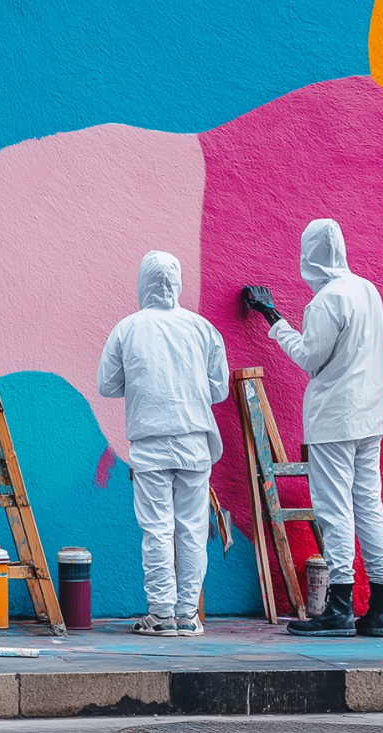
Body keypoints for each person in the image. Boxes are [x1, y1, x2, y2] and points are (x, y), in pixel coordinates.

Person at [244, 219, 383, 638]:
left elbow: (309, 357)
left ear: (308, 257)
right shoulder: (368, 290)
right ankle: (380, 607)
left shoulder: (326, 301)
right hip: (370, 415)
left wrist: (271, 317)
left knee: (334, 510)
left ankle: (339, 607)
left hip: (334, 419)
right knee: (369, 506)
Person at [98, 251, 229, 637]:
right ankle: (189, 614)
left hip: (150, 444)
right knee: (191, 528)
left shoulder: (127, 329)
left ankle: (161, 614)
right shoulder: (203, 329)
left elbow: (107, 385)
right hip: (195, 442)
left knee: (156, 529)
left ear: (142, 282)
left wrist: (142, 386)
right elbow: (218, 389)